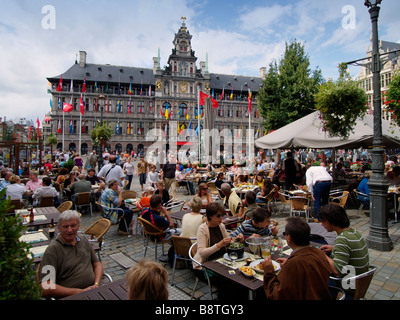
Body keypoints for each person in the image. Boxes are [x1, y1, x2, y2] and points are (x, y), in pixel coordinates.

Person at [262, 216, 332, 300]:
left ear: (289, 238)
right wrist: (289, 262)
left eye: (285, 234)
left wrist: (268, 271)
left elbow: (276, 295)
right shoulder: (319, 253)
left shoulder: (294, 264)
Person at [38, 210, 103, 298]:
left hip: (92, 291)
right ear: (59, 228)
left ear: (79, 226)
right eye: (65, 226)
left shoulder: (83, 240)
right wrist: (79, 292)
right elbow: (46, 287)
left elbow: (97, 263)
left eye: (73, 226)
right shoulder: (53, 250)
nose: (69, 230)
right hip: (71, 296)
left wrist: (96, 284)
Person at [319, 204, 370, 299]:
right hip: (359, 281)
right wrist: (334, 248)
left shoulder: (342, 239)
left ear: (332, 221)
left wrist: (321, 255)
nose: (322, 224)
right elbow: (351, 249)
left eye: (323, 221)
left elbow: (337, 271)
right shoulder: (354, 232)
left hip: (347, 286)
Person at [192, 202, 231, 271]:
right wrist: (218, 245)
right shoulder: (202, 229)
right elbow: (202, 253)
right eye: (218, 216)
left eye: (222, 215)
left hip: (222, 260)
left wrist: (237, 239)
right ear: (210, 216)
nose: (221, 218)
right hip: (206, 264)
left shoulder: (221, 226)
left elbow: (228, 242)